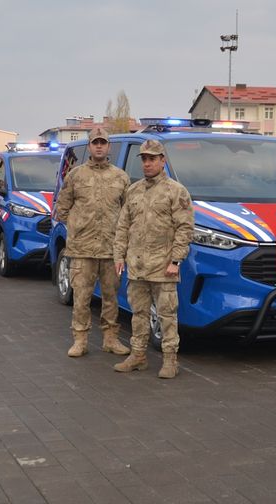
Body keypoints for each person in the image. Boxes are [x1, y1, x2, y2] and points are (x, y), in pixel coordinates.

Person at [113, 140, 194, 378]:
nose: (147, 164)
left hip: (163, 266)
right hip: (137, 266)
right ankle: (138, 356)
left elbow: (185, 228)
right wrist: (119, 254)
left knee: (167, 315)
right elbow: (123, 225)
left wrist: (176, 261)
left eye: (152, 159)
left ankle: (170, 360)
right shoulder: (134, 190)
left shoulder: (176, 191)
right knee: (138, 313)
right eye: (144, 159)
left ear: (162, 161)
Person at [55, 127, 131, 358]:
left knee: (111, 297)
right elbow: (62, 207)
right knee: (81, 297)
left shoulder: (120, 177)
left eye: (103, 143)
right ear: (89, 147)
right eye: (95, 143)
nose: (99, 146)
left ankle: (110, 338)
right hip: (83, 250)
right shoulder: (76, 175)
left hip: (110, 250)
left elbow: (128, 212)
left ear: (108, 147)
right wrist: (77, 228)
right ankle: (80, 340)